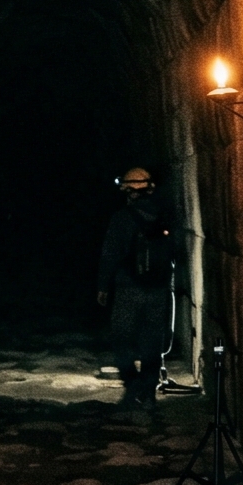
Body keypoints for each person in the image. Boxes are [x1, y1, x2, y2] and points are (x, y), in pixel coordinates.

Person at [96, 167, 179, 413]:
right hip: (158, 289)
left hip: (128, 288)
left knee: (121, 338)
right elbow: (175, 249)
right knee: (152, 341)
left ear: (130, 190)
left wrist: (103, 285)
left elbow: (110, 254)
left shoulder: (122, 218)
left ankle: (133, 387)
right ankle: (149, 393)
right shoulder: (166, 216)